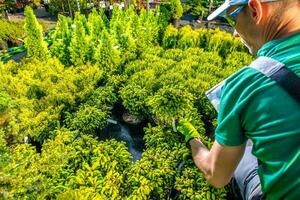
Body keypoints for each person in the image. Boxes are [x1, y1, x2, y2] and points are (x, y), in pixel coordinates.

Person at [176, 0, 300, 199]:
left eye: (231, 17)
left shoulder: (246, 85)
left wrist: (192, 138)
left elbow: (215, 175)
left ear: (255, 10)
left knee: (243, 159)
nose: (234, 33)